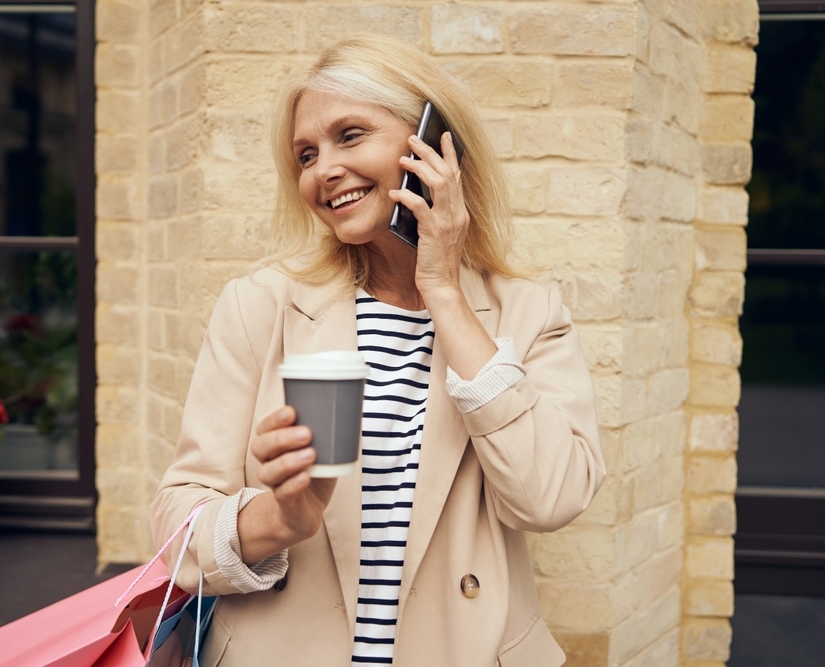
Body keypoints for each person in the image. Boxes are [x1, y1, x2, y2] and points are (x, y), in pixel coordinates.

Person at [150, 33, 605, 667]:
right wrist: (278, 520)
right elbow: (178, 519)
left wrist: (443, 288)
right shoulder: (260, 306)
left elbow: (550, 498)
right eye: (305, 154)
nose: (322, 170)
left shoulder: (529, 314)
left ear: (432, 143)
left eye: (350, 135)